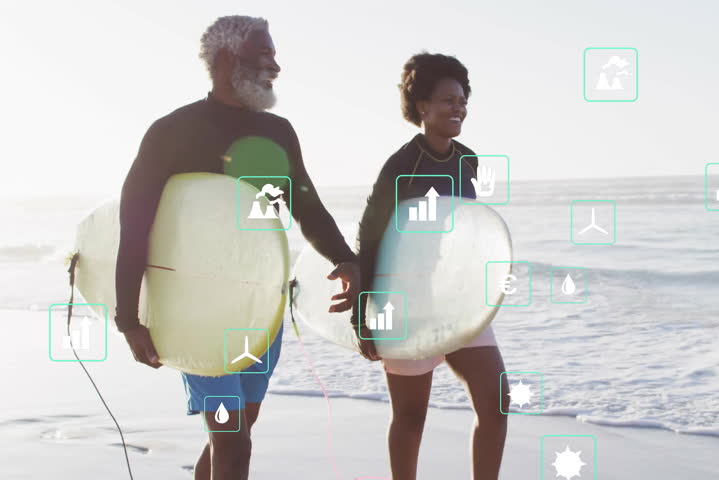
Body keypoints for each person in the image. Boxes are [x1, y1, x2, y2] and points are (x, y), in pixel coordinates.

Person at [114, 16, 362, 480]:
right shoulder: (173, 131)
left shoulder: (278, 132)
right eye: (265, 55)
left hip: (260, 303)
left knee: (237, 429)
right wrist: (128, 318)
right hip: (196, 309)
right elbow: (135, 226)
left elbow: (306, 207)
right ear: (229, 60)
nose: (276, 67)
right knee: (233, 442)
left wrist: (346, 260)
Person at [355, 52, 509, 480]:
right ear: (422, 105)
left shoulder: (468, 162)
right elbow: (370, 239)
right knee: (410, 417)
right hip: (407, 302)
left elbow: (466, 233)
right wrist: (362, 317)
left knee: (496, 403)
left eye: (462, 100)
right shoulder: (402, 165)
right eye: (447, 100)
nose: (458, 108)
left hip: (457, 300)